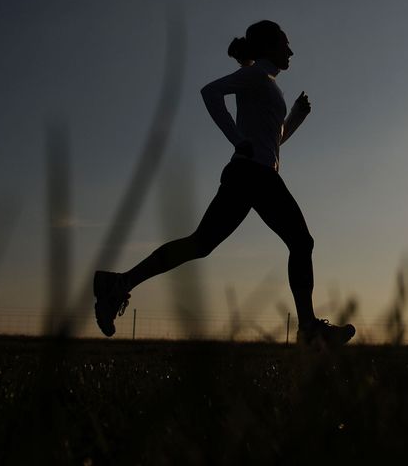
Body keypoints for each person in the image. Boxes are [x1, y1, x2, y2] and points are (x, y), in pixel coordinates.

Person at [93, 20, 355, 347]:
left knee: (200, 244)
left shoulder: (267, 83)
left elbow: (271, 140)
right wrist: (236, 139)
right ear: (268, 46)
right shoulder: (256, 75)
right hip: (254, 174)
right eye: (284, 44)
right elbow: (210, 92)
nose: (291, 51)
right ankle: (308, 328)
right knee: (301, 242)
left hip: (250, 172)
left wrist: (296, 117)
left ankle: (119, 284)